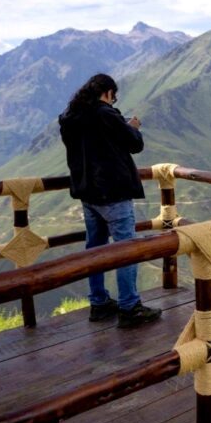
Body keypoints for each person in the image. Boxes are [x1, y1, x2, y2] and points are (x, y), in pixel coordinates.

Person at [59, 73, 162, 329]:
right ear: (107, 92)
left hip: (87, 194)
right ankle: (130, 307)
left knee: (95, 249)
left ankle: (99, 303)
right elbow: (134, 144)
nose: (113, 100)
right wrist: (133, 127)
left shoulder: (70, 117)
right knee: (125, 250)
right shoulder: (106, 114)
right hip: (113, 193)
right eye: (113, 96)